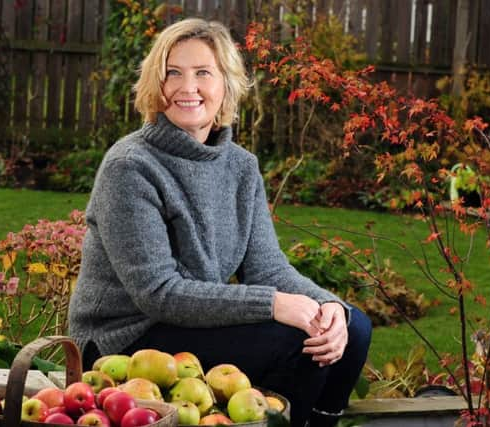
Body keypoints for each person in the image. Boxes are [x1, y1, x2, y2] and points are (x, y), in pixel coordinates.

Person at [68, 18, 371, 427]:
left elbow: (268, 267)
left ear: (225, 84)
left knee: (353, 328)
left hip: (189, 324)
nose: (186, 87)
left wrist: (326, 304)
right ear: (155, 86)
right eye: (172, 73)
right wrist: (275, 305)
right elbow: (159, 293)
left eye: (202, 73)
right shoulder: (130, 168)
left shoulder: (241, 168)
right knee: (297, 343)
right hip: (128, 336)